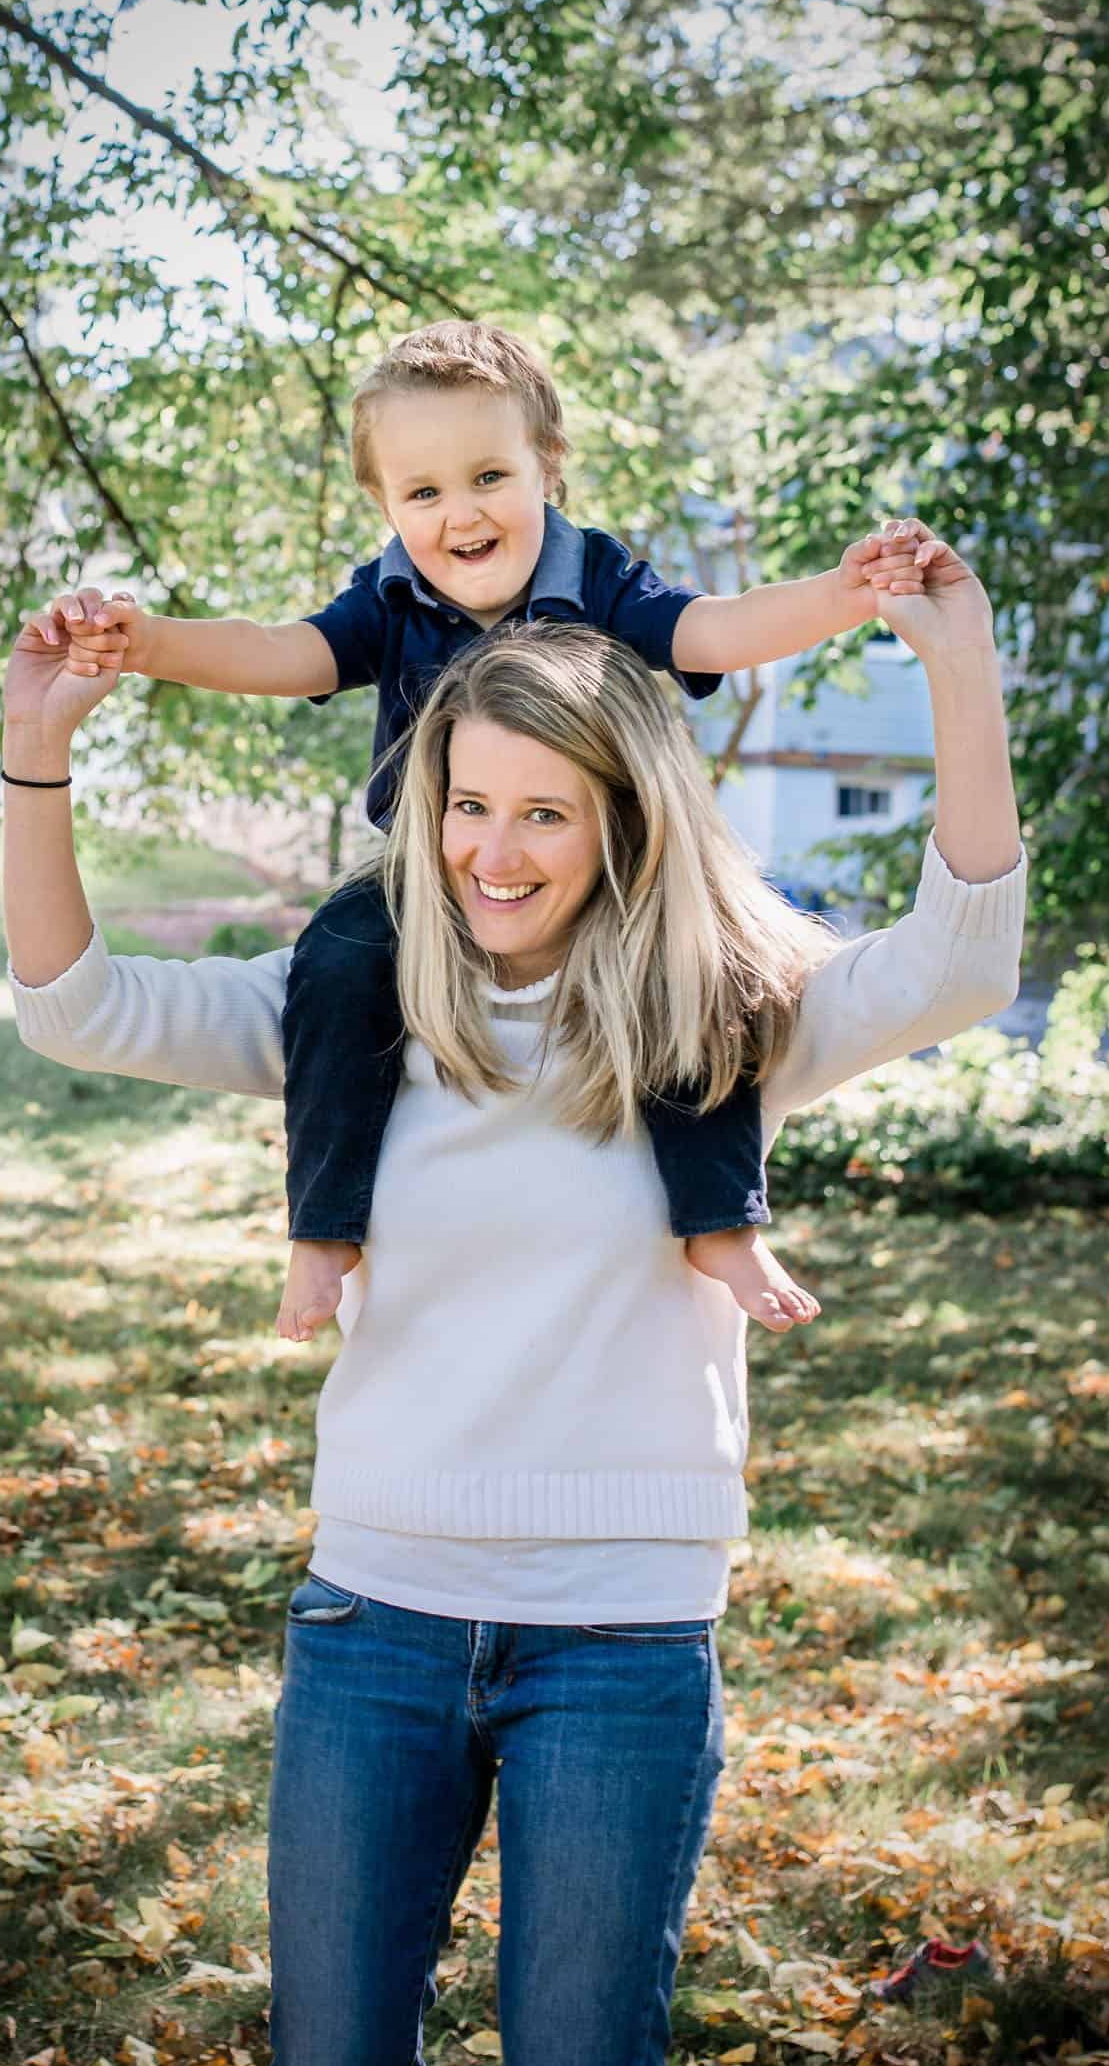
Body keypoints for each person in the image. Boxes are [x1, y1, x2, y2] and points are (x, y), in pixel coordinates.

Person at [1, 525, 1024, 2066]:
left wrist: (956, 669)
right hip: (372, 1623)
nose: (492, 850)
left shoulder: (723, 1009)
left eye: (543, 814)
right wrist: (35, 761)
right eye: (467, 803)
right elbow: (77, 1007)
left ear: (623, 824)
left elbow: (957, 964)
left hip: (620, 1638)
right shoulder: (354, 1004)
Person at [47, 321, 937, 1347]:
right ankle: (326, 1230)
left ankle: (720, 1223)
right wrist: (149, 642)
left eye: (486, 476)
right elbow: (283, 653)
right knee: (334, 966)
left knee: (700, 977)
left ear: (545, 469)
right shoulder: (389, 595)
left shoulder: (596, 576)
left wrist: (845, 593)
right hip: (430, 877)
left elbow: (712, 631)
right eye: (421, 492)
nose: (458, 513)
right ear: (384, 507)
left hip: (601, 874)